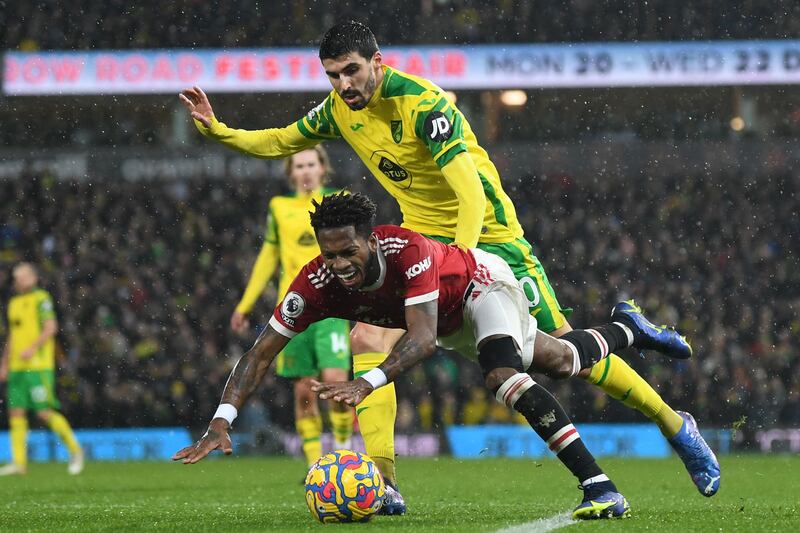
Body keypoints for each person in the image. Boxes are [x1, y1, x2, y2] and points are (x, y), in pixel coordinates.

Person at [178, 21, 720, 500]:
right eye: (332, 76)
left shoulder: (423, 104)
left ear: (377, 63)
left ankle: (675, 426)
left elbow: (469, 193)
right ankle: (384, 483)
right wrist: (219, 130)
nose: (344, 85)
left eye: (351, 72)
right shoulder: (339, 111)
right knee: (368, 339)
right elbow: (279, 139)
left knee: (558, 355)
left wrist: (464, 257)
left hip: (489, 238)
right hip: (420, 241)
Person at [174, 193, 703, 519]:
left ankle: (599, 487)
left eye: (348, 252)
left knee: (504, 376)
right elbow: (260, 353)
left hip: (481, 285)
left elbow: (421, 339)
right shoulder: (315, 283)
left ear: (373, 242)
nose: (338, 264)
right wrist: (223, 419)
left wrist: (368, 382)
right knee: (562, 359)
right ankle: (627, 328)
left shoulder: (407, 251)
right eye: (328, 254)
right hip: (450, 324)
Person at [229, 146, 354, 474]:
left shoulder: (339, 201)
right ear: (291, 172)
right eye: (299, 165)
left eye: (312, 164)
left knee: (337, 382)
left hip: (334, 307)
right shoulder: (280, 208)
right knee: (304, 390)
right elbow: (268, 257)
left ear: (323, 167)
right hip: (295, 310)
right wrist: (245, 305)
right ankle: (316, 467)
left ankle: (342, 456)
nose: (307, 170)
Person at [0, 263, 84, 476]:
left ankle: (76, 451)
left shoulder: (42, 299)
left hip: (37, 366)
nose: (18, 280)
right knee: (16, 413)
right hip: (18, 368)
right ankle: (19, 463)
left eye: (22, 276)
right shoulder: (14, 303)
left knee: (44, 413)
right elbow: (12, 335)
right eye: (16, 277)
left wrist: (32, 348)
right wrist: (4, 363)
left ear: (33, 278)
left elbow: (51, 328)